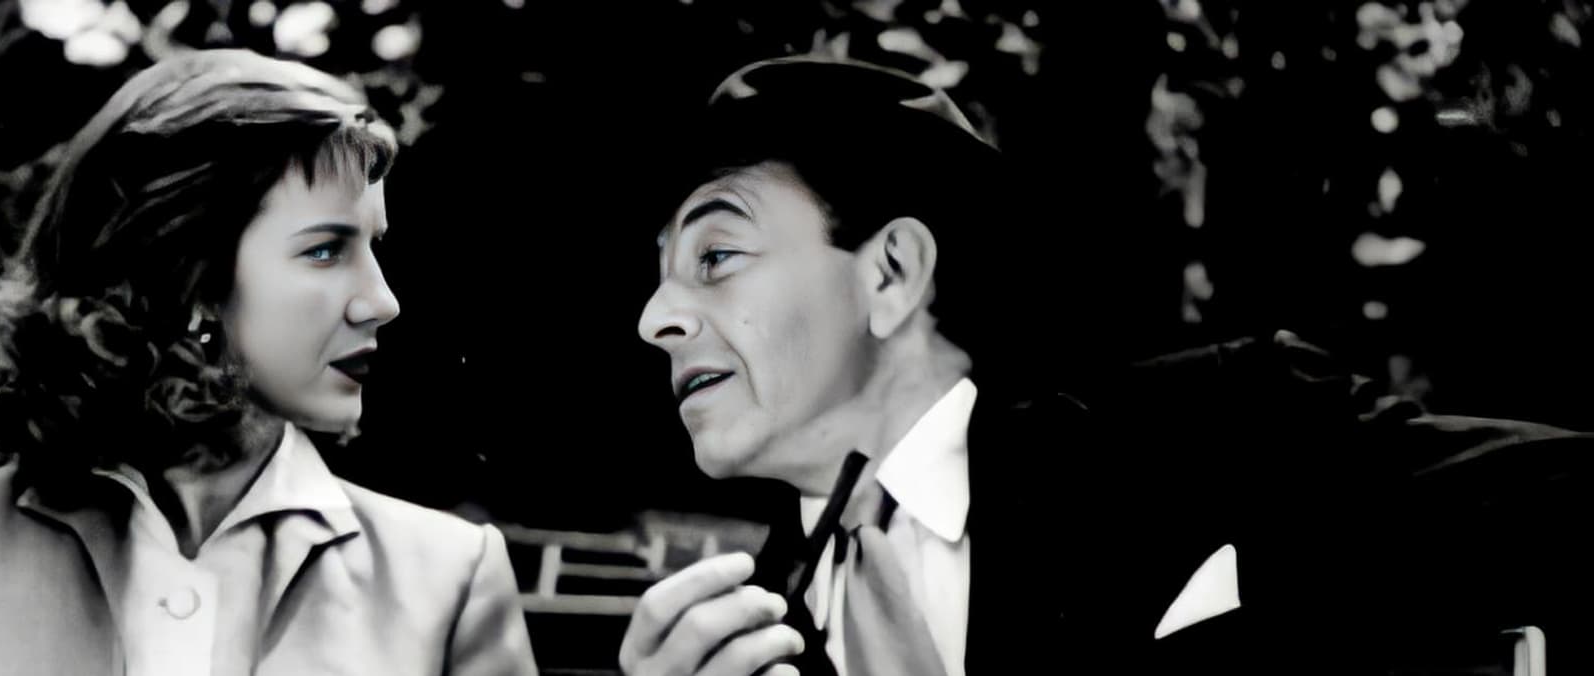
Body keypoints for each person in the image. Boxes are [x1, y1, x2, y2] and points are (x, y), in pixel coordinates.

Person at [618, 56, 1589, 676]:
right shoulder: (746, 637)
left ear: (892, 272)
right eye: (661, 276)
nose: (656, 318)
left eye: (716, 256)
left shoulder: (1221, 425)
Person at [0, 50, 536, 676]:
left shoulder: (450, 580)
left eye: (372, 247)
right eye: (325, 250)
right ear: (185, 275)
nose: (381, 301)